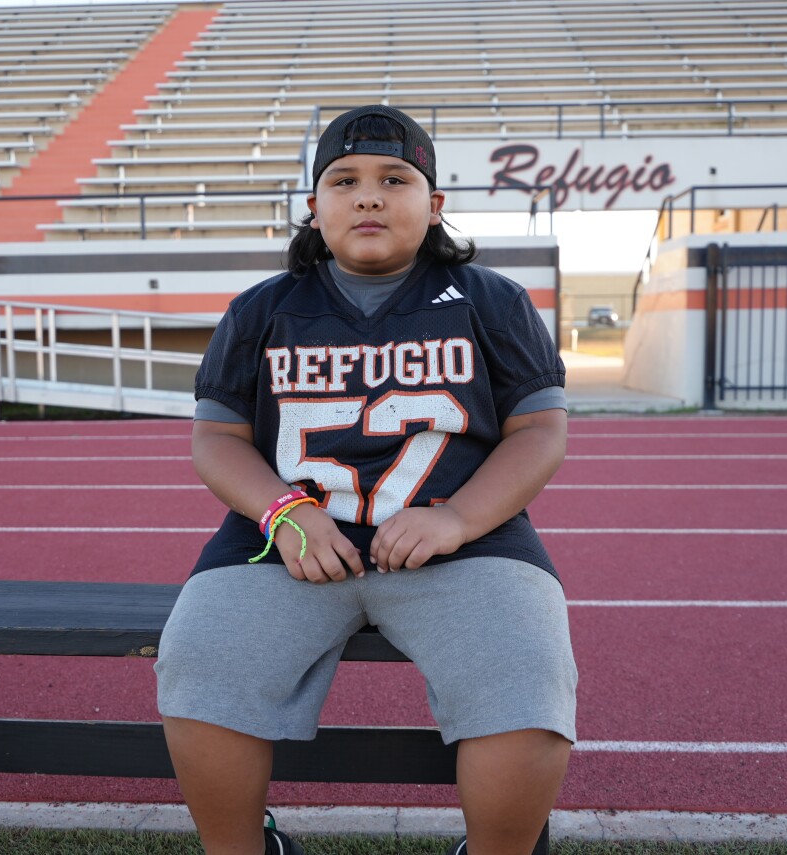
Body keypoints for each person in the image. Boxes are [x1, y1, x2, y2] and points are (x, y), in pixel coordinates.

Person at [154, 105, 577, 855]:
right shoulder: (263, 308)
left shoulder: (490, 300)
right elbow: (216, 440)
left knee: (525, 682)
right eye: (344, 180)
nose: (370, 196)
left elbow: (539, 431)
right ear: (314, 208)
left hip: (464, 537)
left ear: (435, 204)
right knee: (201, 663)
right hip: (288, 539)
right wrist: (283, 511)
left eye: (395, 179)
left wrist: (458, 518)